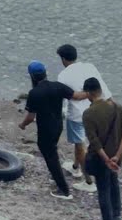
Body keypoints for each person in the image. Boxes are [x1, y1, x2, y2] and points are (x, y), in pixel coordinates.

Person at [18, 60, 89, 199]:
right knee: (52, 151)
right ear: (45, 73)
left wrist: (22, 125)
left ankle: (64, 190)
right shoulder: (57, 86)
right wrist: (92, 92)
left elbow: (31, 117)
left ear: (32, 76)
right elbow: (77, 96)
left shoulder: (34, 93)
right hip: (58, 126)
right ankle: (55, 176)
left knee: (51, 157)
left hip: (45, 129)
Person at [56, 43, 111, 192]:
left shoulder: (63, 76)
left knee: (80, 146)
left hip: (78, 116)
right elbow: (103, 88)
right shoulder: (90, 67)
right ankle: (75, 167)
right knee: (80, 144)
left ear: (63, 59)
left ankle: (88, 182)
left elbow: (63, 99)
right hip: (98, 110)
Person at [82, 76, 122, 220]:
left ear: (88, 93)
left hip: (101, 159)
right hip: (117, 157)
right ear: (100, 90)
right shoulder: (117, 107)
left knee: (103, 190)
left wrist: (106, 159)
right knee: (114, 183)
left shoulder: (88, 114)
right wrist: (117, 156)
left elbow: (94, 142)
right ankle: (116, 218)